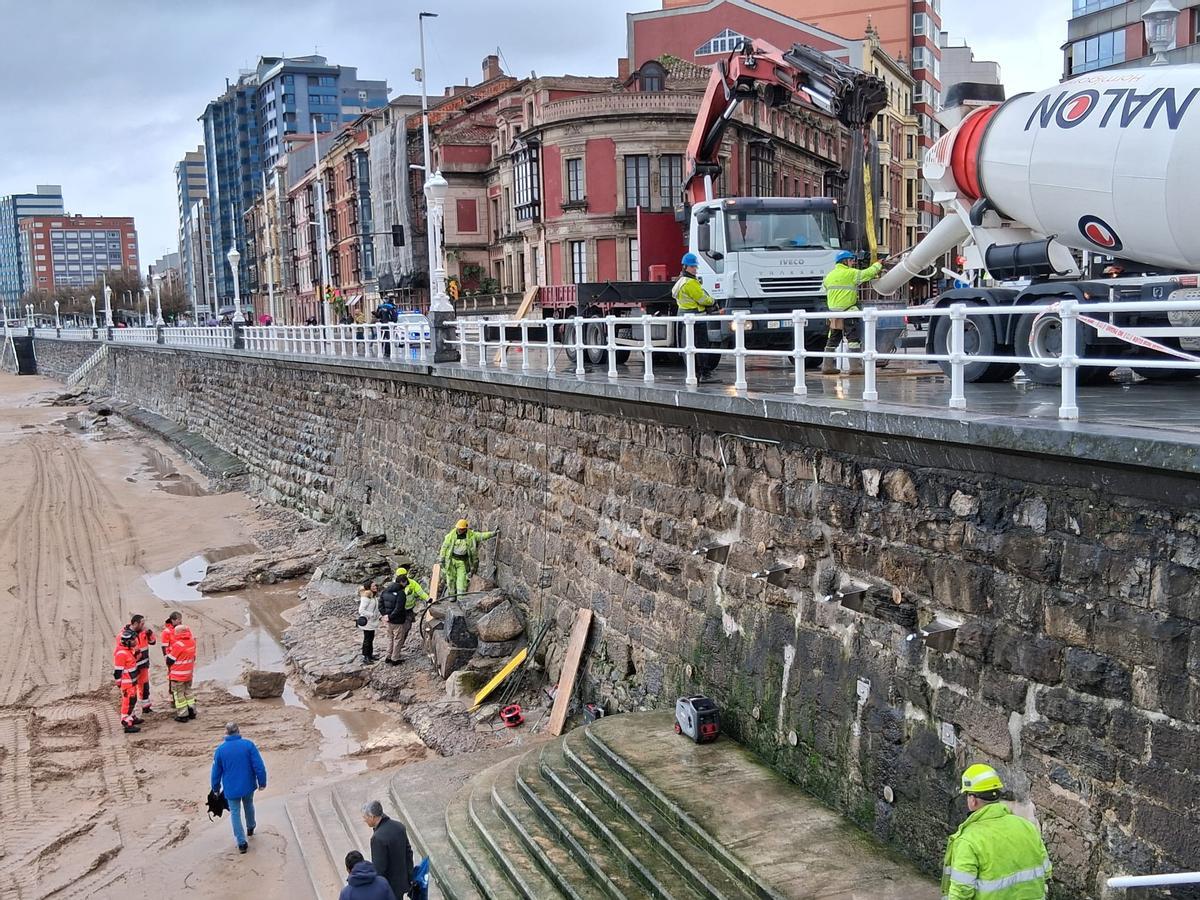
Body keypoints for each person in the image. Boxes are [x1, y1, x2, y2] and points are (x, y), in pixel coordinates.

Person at [942, 764, 1052, 899]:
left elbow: (960, 892)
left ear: (973, 800)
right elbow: (1046, 871)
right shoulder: (1027, 827)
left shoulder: (969, 840)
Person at [820, 250, 885, 375]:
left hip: (833, 313)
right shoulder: (851, 273)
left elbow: (825, 290)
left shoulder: (829, 276)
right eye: (850, 260)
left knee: (833, 339)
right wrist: (878, 264)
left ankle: (827, 366)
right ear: (845, 261)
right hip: (848, 311)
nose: (852, 262)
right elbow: (868, 273)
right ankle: (855, 367)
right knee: (853, 339)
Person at [211, 722, 267, 854]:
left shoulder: (220, 750)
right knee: (248, 805)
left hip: (231, 788)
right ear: (238, 731)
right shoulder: (248, 745)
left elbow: (215, 772)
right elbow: (259, 766)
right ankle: (251, 827)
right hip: (248, 785)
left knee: (235, 812)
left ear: (226, 732)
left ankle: (241, 843)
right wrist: (262, 782)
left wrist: (215, 787)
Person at [671, 252, 719, 378]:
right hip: (697, 318)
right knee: (701, 346)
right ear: (686, 267)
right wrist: (713, 301)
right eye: (693, 267)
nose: (695, 269)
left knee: (689, 346)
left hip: (684, 317)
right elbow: (702, 299)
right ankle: (704, 372)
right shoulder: (691, 283)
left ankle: (694, 371)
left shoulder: (680, 282)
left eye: (695, 267)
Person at [361, 800, 412, 900]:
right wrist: (409, 877)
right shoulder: (399, 827)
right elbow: (409, 853)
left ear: (372, 817)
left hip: (388, 888)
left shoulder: (377, 838)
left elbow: (379, 868)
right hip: (402, 883)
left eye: (365, 817)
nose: (364, 820)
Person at [438, 520, 499, 600]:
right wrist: (442, 558)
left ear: (465, 529)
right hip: (451, 561)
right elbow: (444, 547)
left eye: (461, 529)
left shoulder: (471, 536)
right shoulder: (450, 536)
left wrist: (492, 534)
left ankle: (461, 597)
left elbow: (481, 536)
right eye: (459, 528)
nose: (460, 530)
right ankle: (451, 596)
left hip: (462, 562)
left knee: (462, 579)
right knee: (451, 579)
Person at [378, 569, 428, 666]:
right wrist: (391, 616)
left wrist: (385, 615)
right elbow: (399, 608)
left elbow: (380, 604)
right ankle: (395, 658)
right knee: (398, 639)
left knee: (390, 638)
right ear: (402, 581)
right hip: (398, 620)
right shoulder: (401, 594)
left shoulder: (386, 590)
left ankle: (388, 656)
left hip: (388, 620)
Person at [121, 614, 156, 715]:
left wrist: (150, 633)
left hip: (143, 665)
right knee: (131, 691)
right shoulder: (125, 635)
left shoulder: (144, 632)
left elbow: (153, 642)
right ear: (135, 623)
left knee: (145, 687)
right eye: (142, 623)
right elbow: (123, 650)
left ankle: (145, 707)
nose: (144, 625)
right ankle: (129, 714)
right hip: (132, 667)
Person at [165, 622, 197, 722]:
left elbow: (169, 660)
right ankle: (192, 710)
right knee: (188, 693)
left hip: (178, 675)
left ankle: (183, 714)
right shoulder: (192, 642)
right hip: (188, 674)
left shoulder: (178, 645)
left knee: (179, 696)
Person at [113, 628, 141, 734]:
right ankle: (126, 721)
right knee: (128, 702)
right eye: (133, 640)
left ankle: (131, 717)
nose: (135, 641)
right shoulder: (121, 654)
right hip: (127, 683)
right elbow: (118, 672)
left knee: (132, 701)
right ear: (128, 641)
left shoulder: (128, 651)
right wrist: (119, 683)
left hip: (132, 682)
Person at [357, 580, 382, 665]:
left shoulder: (373, 596)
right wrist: (372, 615)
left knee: (370, 638)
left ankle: (370, 655)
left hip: (372, 621)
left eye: (375, 586)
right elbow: (361, 610)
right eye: (373, 586)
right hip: (367, 622)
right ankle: (366, 656)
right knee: (367, 639)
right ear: (369, 588)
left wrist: (378, 616)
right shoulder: (366, 598)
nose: (375, 587)